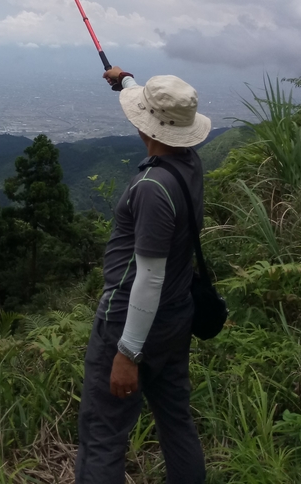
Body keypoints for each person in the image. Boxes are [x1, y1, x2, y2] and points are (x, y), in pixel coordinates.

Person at [75, 66, 211, 484]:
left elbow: (148, 276)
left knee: (103, 434)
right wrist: (126, 82)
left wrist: (128, 353)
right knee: (175, 421)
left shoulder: (152, 187)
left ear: (146, 126)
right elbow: (158, 115)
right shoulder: (187, 164)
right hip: (175, 316)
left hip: (131, 324)